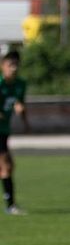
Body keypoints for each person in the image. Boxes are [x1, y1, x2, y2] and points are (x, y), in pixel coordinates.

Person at [0, 50, 29, 215]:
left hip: (4, 130)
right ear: (2, 66)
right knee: (6, 166)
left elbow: (20, 104)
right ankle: (10, 206)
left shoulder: (20, 84)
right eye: (10, 65)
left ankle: (10, 204)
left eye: (16, 65)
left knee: (8, 167)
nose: (14, 68)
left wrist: (25, 122)